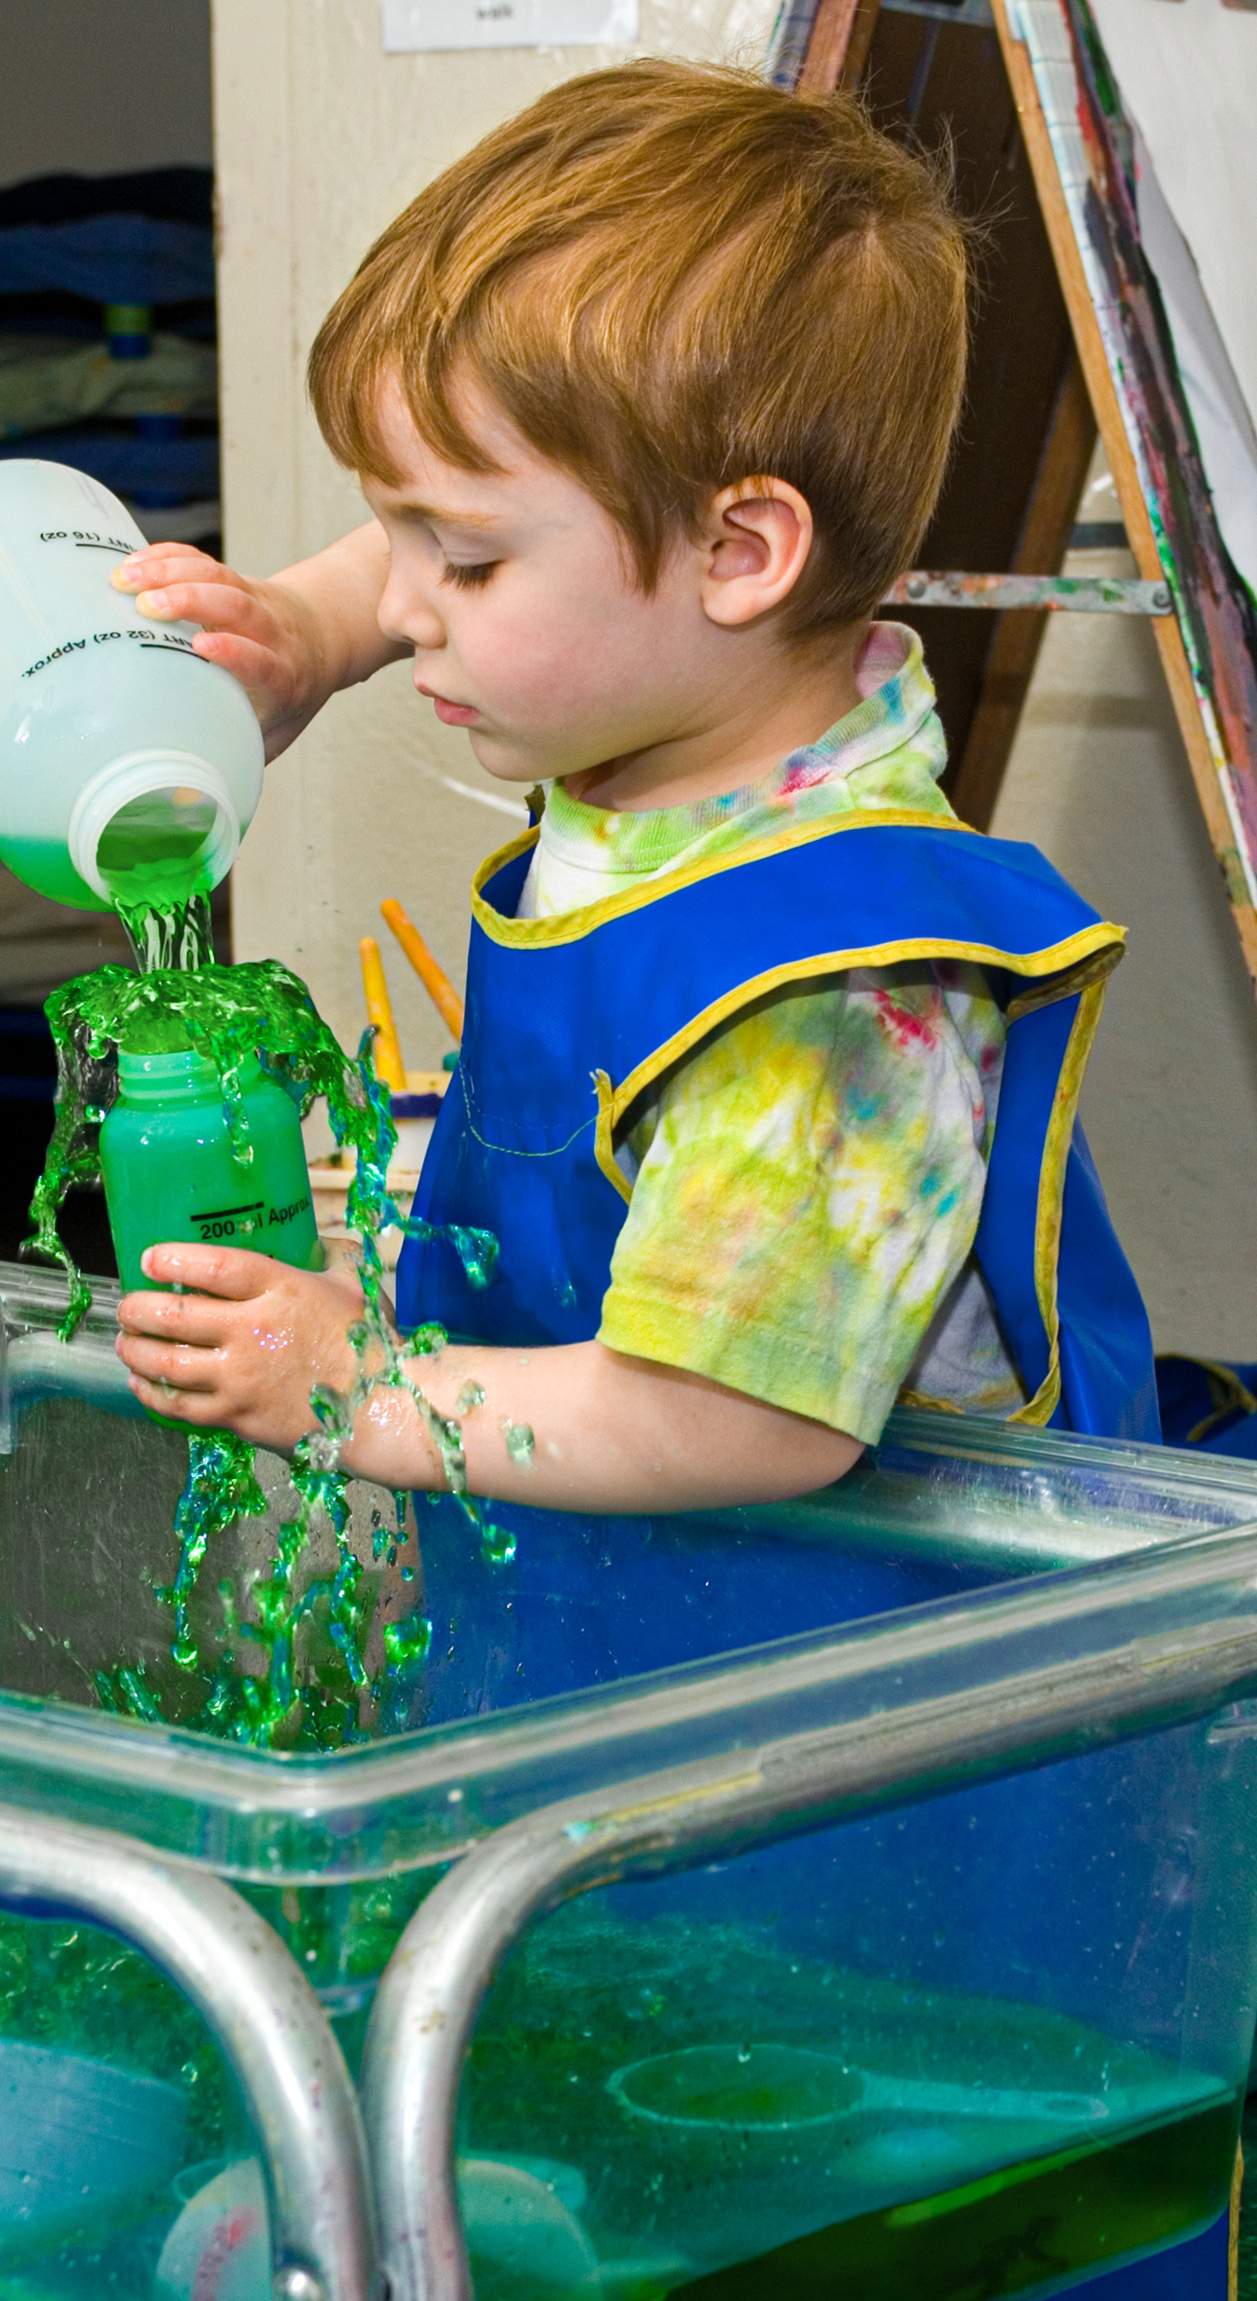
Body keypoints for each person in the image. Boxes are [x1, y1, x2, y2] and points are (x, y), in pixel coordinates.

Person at [106, 59, 1158, 1514]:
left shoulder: (828, 996)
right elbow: (433, 557)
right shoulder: (683, 746)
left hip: (833, 1684)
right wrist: (299, 630)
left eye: (464, 562)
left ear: (738, 555)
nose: (408, 605)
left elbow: (725, 1421)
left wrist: (366, 1389)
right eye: (388, 538)